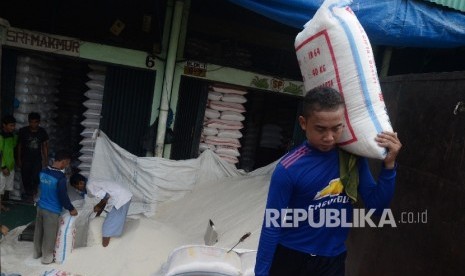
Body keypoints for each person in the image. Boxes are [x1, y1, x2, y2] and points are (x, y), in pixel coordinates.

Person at [254, 87, 402, 276]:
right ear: (303, 123)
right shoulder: (288, 168)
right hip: (291, 257)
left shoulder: (352, 159)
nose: (329, 137)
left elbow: (377, 208)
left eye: (336, 128)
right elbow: (271, 225)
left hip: (332, 261)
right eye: (321, 129)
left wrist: (389, 166)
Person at [33, 149, 77, 265]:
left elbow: (40, 187)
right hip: (52, 210)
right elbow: (63, 196)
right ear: (63, 162)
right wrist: (71, 208)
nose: (67, 166)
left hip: (40, 206)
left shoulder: (43, 171)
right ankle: (47, 258)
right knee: (49, 235)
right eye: (67, 163)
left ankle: (36, 253)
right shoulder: (60, 178)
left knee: (39, 231)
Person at [80, 177, 133, 247]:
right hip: (123, 196)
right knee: (116, 219)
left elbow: (106, 197)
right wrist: (98, 213)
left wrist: (98, 206)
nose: (78, 189)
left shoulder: (90, 186)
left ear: (80, 183)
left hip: (120, 199)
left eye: (77, 187)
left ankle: (104, 246)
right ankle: (112, 241)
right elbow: (105, 198)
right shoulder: (93, 182)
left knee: (107, 227)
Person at [17, 112, 49, 202]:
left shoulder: (42, 132)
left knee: (36, 177)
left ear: (39, 122)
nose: (33, 124)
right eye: (31, 122)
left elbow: (44, 146)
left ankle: (34, 194)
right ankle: (28, 194)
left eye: (35, 122)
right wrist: (19, 159)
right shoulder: (23, 131)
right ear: (28, 122)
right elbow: (19, 146)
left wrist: (46, 159)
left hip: (37, 159)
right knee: (25, 177)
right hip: (25, 159)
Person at [0, 115, 18, 211]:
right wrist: (3, 167)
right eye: (11, 125)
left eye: (14, 125)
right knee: (0, 188)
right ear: (4, 125)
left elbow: (13, 146)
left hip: (10, 166)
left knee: (3, 189)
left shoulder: (12, 136)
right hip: (2, 167)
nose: (13, 127)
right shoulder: (1, 136)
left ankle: (1, 204)